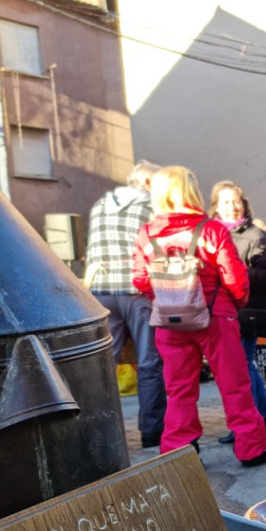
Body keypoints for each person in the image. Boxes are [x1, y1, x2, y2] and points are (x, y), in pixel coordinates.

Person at [131, 166, 266, 467]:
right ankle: (251, 449)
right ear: (191, 189)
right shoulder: (211, 229)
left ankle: (179, 451)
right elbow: (235, 277)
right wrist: (234, 305)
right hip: (216, 315)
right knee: (235, 384)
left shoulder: (147, 233)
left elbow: (141, 279)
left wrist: (168, 299)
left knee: (179, 388)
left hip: (170, 320)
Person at [84, 159, 166, 449]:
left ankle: (102, 434)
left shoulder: (99, 206)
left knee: (103, 364)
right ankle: (152, 431)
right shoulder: (150, 206)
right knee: (148, 362)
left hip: (102, 290)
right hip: (137, 289)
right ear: (147, 184)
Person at [210, 180, 266, 442]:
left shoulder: (256, 236)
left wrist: (235, 273)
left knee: (240, 368)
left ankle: (250, 422)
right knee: (244, 366)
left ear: (244, 204)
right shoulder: (211, 234)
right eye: (225, 202)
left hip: (247, 311)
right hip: (221, 311)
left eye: (236, 201)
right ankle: (264, 417)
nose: (232, 207)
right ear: (216, 206)